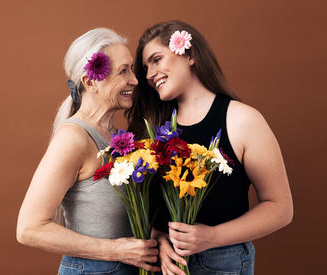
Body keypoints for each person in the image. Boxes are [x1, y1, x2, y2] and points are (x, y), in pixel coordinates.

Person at [126, 20, 293, 275]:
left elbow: (280, 209)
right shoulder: (153, 128)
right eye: (146, 68)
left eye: (157, 59)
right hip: (163, 265)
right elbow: (144, 207)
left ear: (189, 54)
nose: (149, 75)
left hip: (222, 263)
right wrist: (157, 238)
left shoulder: (243, 120)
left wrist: (212, 236)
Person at [16, 28, 160, 275]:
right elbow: (29, 229)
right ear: (91, 81)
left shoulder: (119, 139)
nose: (135, 80)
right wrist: (116, 251)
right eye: (123, 71)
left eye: (132, 70)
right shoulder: (73, 138)